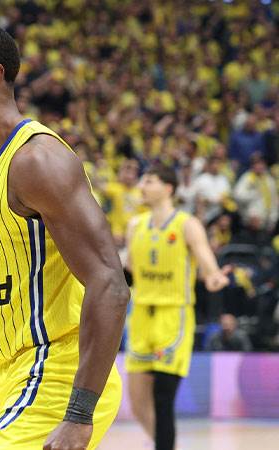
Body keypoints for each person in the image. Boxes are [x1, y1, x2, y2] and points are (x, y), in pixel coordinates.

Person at [0, 22, 128, 450]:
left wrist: (78, 415)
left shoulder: (36, 160)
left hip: (58, 375)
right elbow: (13, 325)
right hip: (17, 378)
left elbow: (110, 283)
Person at [125, 165, 231, 450]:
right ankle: (168, 444)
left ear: (168, 188)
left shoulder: (186, 224)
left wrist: (214, 277)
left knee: (163, 398)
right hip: (141, 314)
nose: (142, 186)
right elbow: (129, 270)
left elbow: (206, 262)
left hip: (173, 315)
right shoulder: (135, 225)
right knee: (137, 401)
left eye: (149, 181)